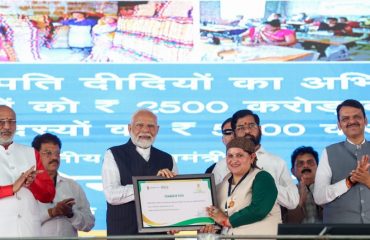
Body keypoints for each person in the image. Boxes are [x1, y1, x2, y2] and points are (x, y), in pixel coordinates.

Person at [102, 109, 178, 235]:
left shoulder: (168, 159)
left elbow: (175, 198)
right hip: (124, 235)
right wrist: (152, 185)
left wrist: (176, 221)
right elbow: (112, 195)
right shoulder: (113, 154)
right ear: (129, 128)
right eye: (139, 125)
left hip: (159, 236)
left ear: (157, 130)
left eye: (150, 126)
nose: (145, 130)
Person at [212, 109, 299, 210]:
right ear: (234, 133)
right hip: (231, 224)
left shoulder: (276, 162)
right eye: (241, 128)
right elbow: (211, 201)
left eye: (251, 126)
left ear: (260, 129)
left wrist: (264, 184)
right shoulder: (222, 165)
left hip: (267, 224)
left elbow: (293, 201)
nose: (247, 131)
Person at [202, 137, 280, 235]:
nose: (234, 160)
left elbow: (258, 210)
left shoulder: (262, 177)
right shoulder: (222, 184)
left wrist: (227, 221)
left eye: (239, 155)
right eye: (230, 156)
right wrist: (210, 225)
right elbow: (217, 217)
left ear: (252, 157)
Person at [0, 105, 55, 237]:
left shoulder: (31, 152)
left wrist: (33, 183)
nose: (7, 126)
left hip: (29, 231)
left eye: (11, 122)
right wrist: (12, 188)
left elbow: (48, 195)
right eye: (1, 121)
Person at [314, 99, 370, 223]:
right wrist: (349, 182)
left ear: (365, 121)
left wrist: (368, 180)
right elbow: (319, 197)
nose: (351, 121)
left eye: (357, 117)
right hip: (339, 232)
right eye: (345, 119)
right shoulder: (329, 152)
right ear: (339, 125)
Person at [31, 133, 95, 237]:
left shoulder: (73, 186)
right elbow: (22, 221)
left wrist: (71, 214)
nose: (54, 158)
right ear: (36, 155)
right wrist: (51, 212)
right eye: (48, 153)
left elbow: (89, 224)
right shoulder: (27, 186)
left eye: (57, 153)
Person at [282, 146, 322, 223]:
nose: (306, 166)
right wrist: (299, 202)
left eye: (310, 162)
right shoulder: (286, 194)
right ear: (293, 171)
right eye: (300, 164)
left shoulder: (328, 190)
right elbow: (288, 225)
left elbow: (336, 219)